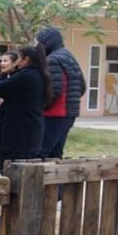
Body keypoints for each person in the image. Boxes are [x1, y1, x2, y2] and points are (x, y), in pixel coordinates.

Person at [0, 45, 53, 169]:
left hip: (19, 136)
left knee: (13, 171)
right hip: (29, 133)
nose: (17, 62)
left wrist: (3, 74)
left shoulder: (26, 76)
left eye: (19, 58)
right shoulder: (39, 74)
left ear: (27, 59)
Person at [35, 27, 86, 159]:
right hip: (69, 112)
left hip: (56, 113)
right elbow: (82, 86)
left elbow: (55, 91)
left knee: (41, 153)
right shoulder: (69, 56)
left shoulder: (53, 59)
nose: (38, 46)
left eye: (40, 42)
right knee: (56, 153)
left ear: (47, 43)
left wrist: (41, 106)